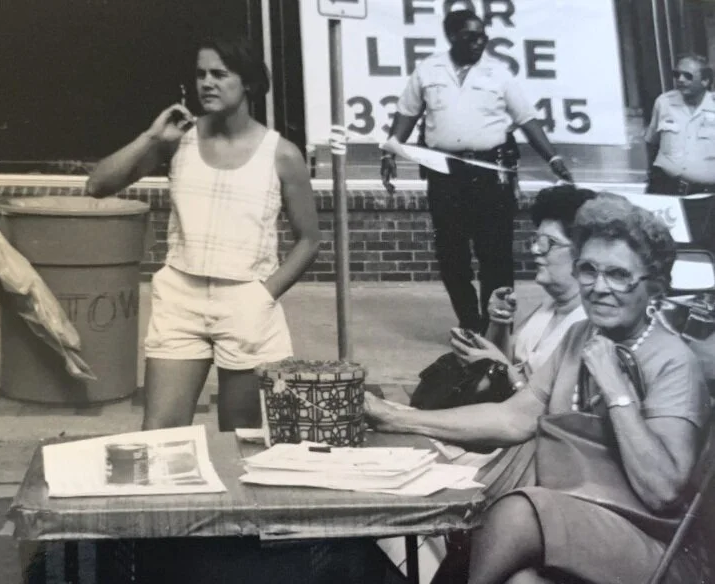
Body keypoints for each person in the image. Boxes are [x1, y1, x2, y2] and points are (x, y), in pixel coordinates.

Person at [365, 195, 711, 583]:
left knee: (518, 510)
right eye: (588, 270)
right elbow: (512, 417)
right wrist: (396, 417)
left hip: (653, 544)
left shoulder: (673, 360)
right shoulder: (583, 335)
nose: (598, 287)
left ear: (655, 287)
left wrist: (615, 388)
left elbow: (663, 491)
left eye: (618, 275)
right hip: (573, 522)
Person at [86, 36, 320, 432]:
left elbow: (309, 239)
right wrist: (150, 137)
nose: (207, 83)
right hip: (180, 298)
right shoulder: (179, 141)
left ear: (247, 82)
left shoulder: (280, 153)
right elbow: (97, 185)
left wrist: (263, 295)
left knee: (241, 434)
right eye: (200, 74)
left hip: (246, 302)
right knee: (160, 434)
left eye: (219, 74)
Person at [382, 9, 574, 334]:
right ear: (452, 36)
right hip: (444, 174)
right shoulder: (428, 71)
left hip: (490, 173)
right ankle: (470, 322)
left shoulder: (498, 74)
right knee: (451, 255)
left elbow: (527, 119)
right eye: (470, 36)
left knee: (495, 254)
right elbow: (407, 113)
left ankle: (495, 328)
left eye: (483, 35)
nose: (479, 42)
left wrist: (553, 159)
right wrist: (389, 151)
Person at [450, 185, 594, 396]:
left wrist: (504, 369)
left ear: (582, 253)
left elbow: (551, 409)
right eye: (536, 240)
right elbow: (501, 361)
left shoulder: (587, 323)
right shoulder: (548, 307)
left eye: (548, 243)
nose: (535, 249)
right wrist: (499, 323)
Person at [644, 54, 715, 252]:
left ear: (706, 80)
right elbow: (651, 142)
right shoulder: (664, 103)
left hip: (706, 196)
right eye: (677, 74)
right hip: (666, 189)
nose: (680, 80)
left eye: (687, 75)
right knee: (658, 248)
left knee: (703, 249)